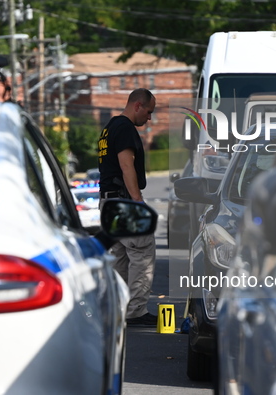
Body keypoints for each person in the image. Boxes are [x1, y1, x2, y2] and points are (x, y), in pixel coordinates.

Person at [98, 88, 157, 326]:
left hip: (108, 202)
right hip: (124, 201)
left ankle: (119, 309)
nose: (149, 118)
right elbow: (126, 166)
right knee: (142, 254)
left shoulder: (109, 128)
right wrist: (138, 202)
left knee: (120, 258)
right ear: (137, 106)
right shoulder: (124, 129)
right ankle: (135, 312)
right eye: (149, 111)